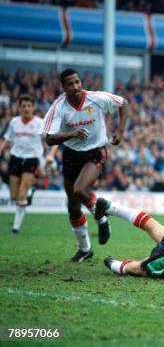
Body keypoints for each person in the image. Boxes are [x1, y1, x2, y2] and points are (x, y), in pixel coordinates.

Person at [39, 69, 129, 262]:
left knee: (80, 190)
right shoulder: (58, 107)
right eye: (70, 84)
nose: (76, 87)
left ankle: (102, 217)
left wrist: (120, 132)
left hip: (95, 152)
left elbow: (123, 103)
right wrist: (71, 134)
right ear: (63, 87)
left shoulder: (96, 98)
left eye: (77, 82)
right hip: (71, 154)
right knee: (72, 205)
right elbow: (49, 139)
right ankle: (85, 249)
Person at [0, 95, 57, 233]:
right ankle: (30, 192)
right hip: (15, 158)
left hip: (32, 159)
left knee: (21, 193)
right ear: (20, 108)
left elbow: (53, 140)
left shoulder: (39, 123)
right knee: (14, 196)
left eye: (29, 106)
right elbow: (6, 139)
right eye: (23, 106)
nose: (26, 108)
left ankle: (16, 227)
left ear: (33, 107)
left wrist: (51, 154)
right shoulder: (14, 122)